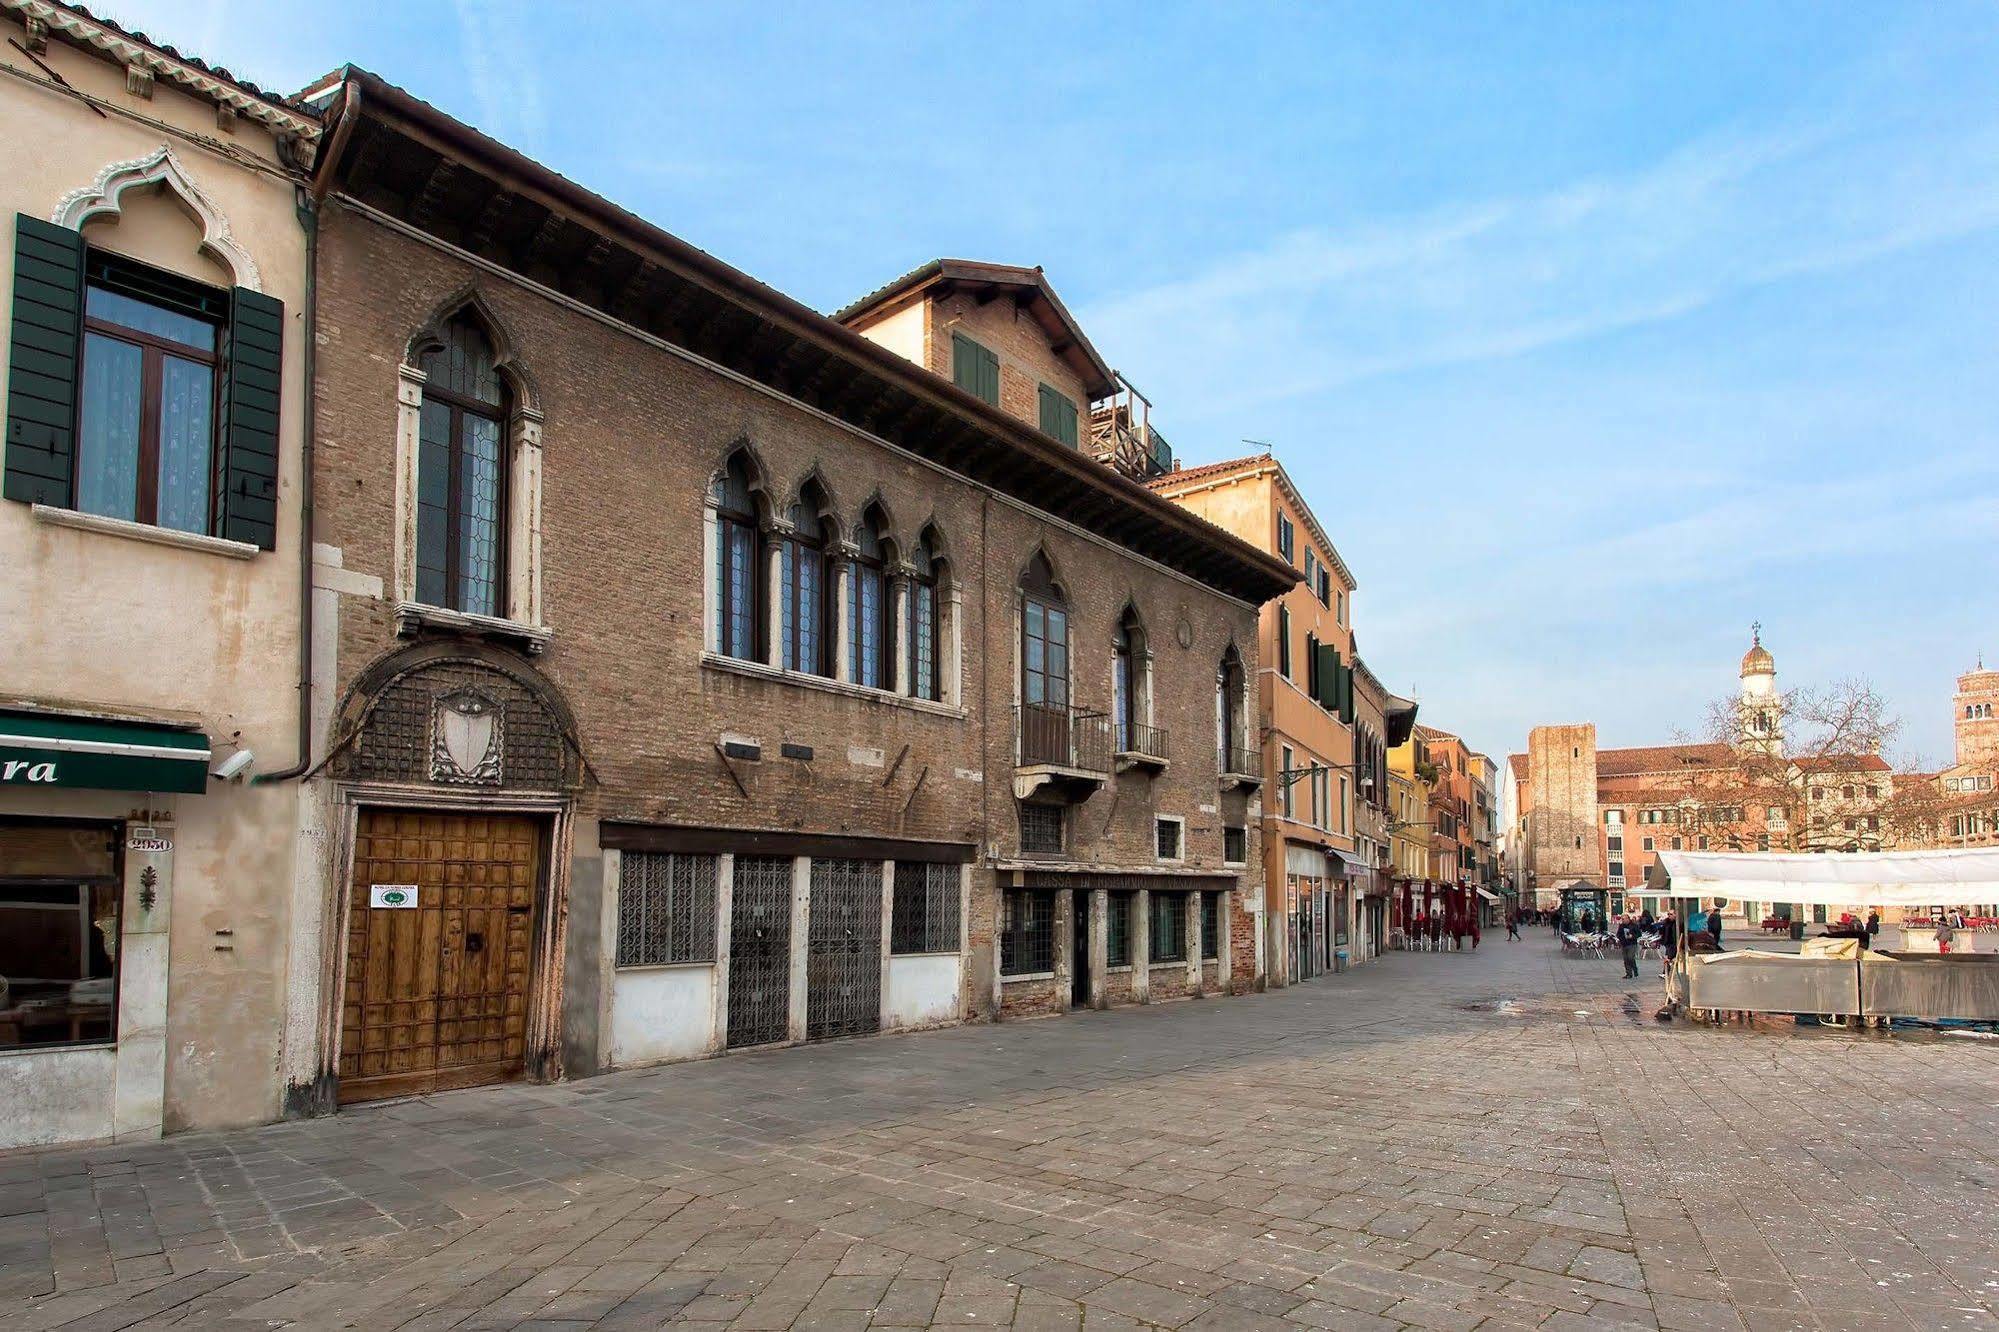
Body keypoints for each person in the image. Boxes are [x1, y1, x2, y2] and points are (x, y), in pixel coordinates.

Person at [1616, 914, 1642, 979]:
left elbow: (1639, 934)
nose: (1623, 920)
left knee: (1630, 957)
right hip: (1624, 944)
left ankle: (1635, 968)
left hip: (1632, 944)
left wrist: (1632, 936)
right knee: (1626, 959)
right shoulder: (1621, 926)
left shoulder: (1634, 925)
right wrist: (1621, 938)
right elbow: (1618, 934)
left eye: (1624, 919)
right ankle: (1628, 974)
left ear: (1628, 919)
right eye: (1622, 919)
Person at [1657, 911, 1678, 977]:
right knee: (1667, 958)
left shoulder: (1677, 923)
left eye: (1671, 914)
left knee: (1668, 958)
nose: (1669, 915)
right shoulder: (1666, 922)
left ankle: (1665, 972)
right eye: (1668, 914)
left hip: (1674, 943)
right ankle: (1665, 972)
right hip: (1667, 943)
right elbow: (1661, 930)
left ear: (1675, 915)